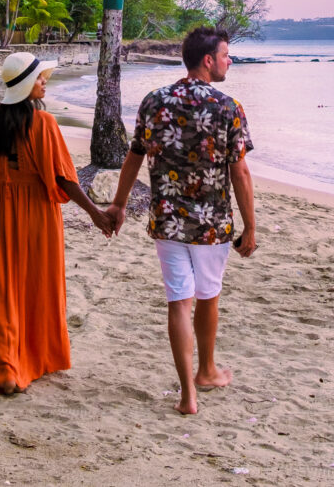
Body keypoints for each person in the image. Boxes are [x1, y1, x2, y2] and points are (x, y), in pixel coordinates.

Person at [103, 26, 258, 415]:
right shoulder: (227, 106)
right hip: (212, 224)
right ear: (208, 60)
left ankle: (187, 394)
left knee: (178, 300)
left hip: (168, 220)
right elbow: (240, 173)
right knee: (207, 296)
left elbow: (133, 156)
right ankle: (206, 371)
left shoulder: (154, 101)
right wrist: (251, 226)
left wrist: (119, 204)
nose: (229, 60)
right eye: (226, 55)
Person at [0, 50, 118, 393]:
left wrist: (3, 200)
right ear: (24, 86)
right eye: (39, 79)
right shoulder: (44, 123)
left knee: (1, 286)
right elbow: (63, 179)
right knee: (35, 284)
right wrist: (95, 213)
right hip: (38, 210)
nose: (44, 83)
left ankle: (6, 366)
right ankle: (30, 359)